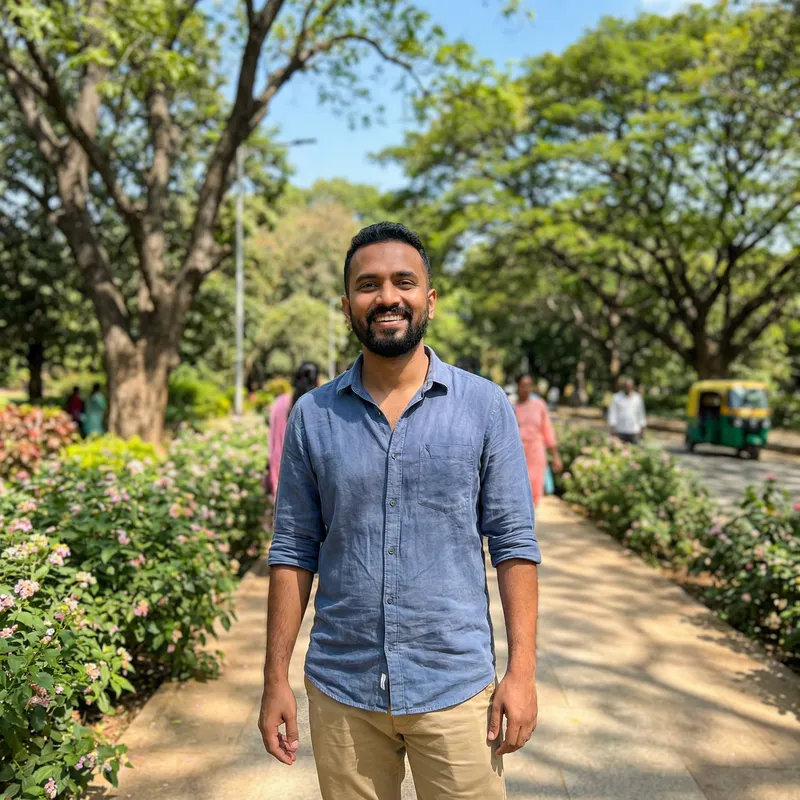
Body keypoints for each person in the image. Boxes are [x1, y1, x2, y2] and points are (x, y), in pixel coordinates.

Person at [259, 222, 541, 800]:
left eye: (403, 282)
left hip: (458, 690)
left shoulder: (483, 406)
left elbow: (514, 543)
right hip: (344, 690)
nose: (387, 296)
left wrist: (523, 672)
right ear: (347, 306)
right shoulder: (313, 417)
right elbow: (292, 549)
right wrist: (273, 679)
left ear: (428, 300)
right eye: (368, 285)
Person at [263, 362, 320, 503]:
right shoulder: (320, 403)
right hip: (314, 478)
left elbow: (273, 438)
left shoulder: (281, 402)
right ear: (317, 380)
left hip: (282, 471)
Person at [514, 375, 563, 507]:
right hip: (517, 453)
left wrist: (556, 456)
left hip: (536, 451)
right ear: (517, 387)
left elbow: (547, 430)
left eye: (528, 386)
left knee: (535, 490)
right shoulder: (511, 407)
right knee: (519, 490)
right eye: (522, 386)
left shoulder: (539, 405)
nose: (525, 389)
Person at [608, 377, 647, 444]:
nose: (627, 388)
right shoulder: (616, 397)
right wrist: (612, 427)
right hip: (620, 429)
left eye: (629, 386)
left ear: (633, 387)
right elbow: (612, 413)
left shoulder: (637, 398)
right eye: (626, 386)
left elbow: (641, 413)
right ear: (623, 387)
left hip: (634, 430)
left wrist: (642, 427)